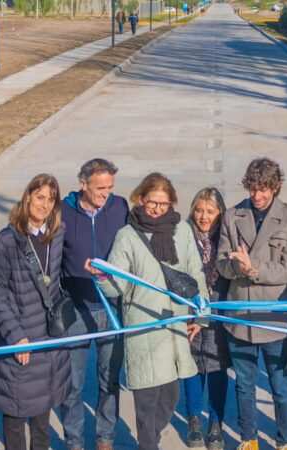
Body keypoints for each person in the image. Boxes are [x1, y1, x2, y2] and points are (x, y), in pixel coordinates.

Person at [87, 172, 209, 450]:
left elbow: (195, 272)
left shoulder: (183, 231)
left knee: (170, 398)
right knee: (146, 407)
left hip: (174, 330)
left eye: (163, 204)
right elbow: (115, 285)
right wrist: (102, 277)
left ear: (172, 204)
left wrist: (201, 314)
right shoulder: (127, 236)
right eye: (151, 202)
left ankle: (149, 441)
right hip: (143, 330)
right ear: (141, 200)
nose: (156, 208)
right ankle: (148, 445)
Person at [216, 158, 287, 450]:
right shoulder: (232, 216)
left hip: (273, 319)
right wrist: (236, 269)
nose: (258, 195)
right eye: (253, 188)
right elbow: (221, 263)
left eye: (264, 189)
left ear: (275, 187)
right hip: (240, 314)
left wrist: (252, 268)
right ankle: (248, 439)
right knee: (244, 385)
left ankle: (285, 441)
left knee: (281, 387)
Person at [0, 174, 71, 450]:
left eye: (50, 199)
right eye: (39, 197)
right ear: (27, 197)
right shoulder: (8, 241)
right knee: (15, 417)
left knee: (42, 422)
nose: (44, 205)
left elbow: (58, 279)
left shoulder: (57, 233)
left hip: (47, 342)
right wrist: (16, 336)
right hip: (19, 343)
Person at [59, 158, 128, 450]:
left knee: (109, 380)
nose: (105, 194)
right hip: (75, 308)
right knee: (71, 384)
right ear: (83, 184)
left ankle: (105, 438)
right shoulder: (62, 211)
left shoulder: (119, 207)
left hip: (111, 307)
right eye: (100, 188)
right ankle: (74, 441)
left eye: (110, 187)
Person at [182, 188, 231, 450]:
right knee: (192, 368)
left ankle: (215, 423)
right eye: (199, 210)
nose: (203, 216)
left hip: (218, 312)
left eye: (210, 211)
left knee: (216, 368)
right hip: (189, 310)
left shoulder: (226, 237)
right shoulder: (183, 234)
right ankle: (193, 420)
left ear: (219, 213)